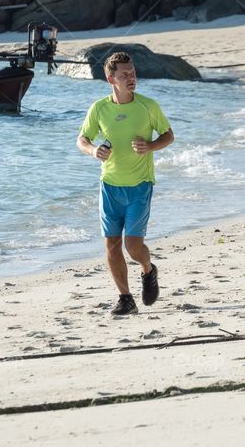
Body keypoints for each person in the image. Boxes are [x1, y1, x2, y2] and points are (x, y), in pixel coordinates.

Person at [77, 52, 175, 316]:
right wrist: (93, 151)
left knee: (132, 247)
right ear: (111, 79)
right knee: (111, 245)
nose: (131, 78)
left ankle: (148, 269)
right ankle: (125, 299)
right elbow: (82, 139)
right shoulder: (99, 108)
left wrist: (151, 145)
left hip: (140, 185)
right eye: (124, 75)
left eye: (132, 73)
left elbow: (168, 135)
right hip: (109, 186)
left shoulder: (148, 106)